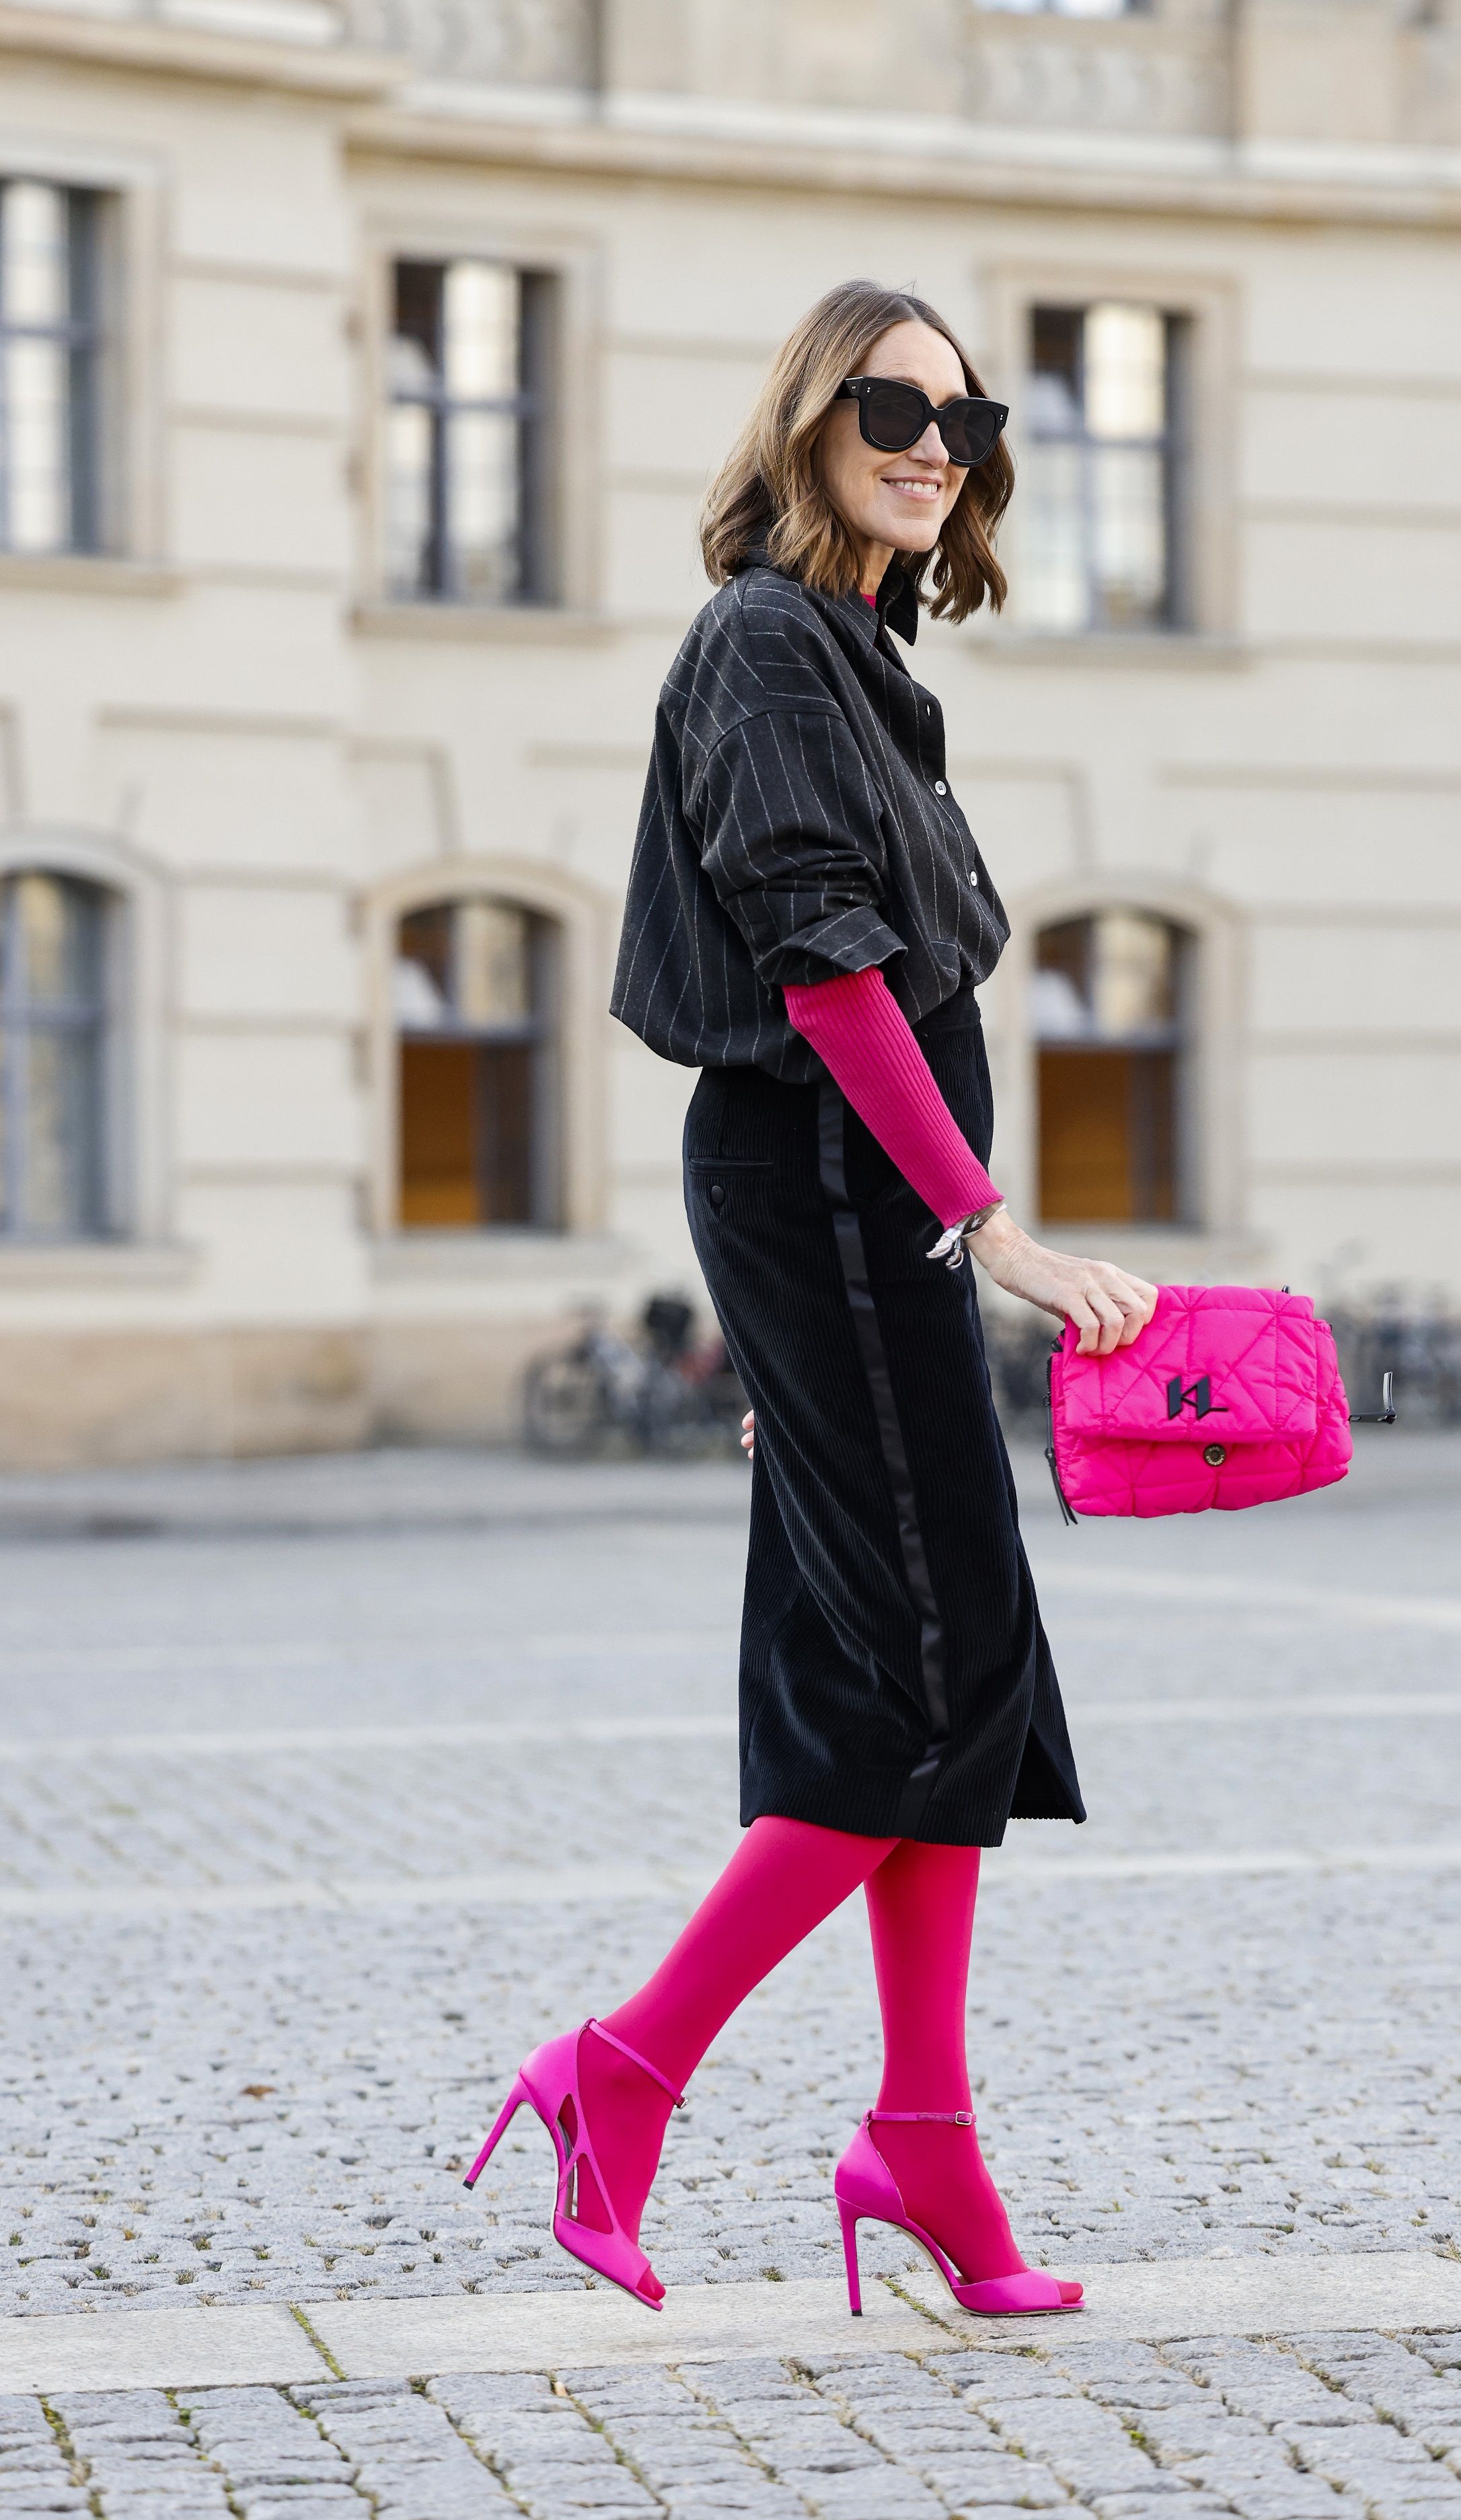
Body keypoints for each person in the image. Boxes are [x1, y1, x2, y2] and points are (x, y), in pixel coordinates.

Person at [464, 278, 1156, 2318]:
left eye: (966, 417)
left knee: (923, 1666)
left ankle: (921, 2144)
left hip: (847, 1229)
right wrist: (992, 1228)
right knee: (932, 1672)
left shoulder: (856, 649)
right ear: (806, 418)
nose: (935, 443)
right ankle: (628, 2064)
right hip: (851, 1196)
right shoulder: (769, 642)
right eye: (889, 405)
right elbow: (828, 970)